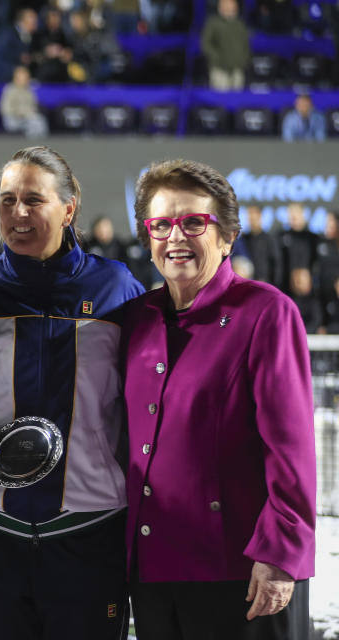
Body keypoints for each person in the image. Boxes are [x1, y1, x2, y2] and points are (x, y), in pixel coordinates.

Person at [0, 146, 144, 640]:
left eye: (33, 200)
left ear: (69, 208)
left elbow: (147, 395)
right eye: (7, 199)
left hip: (89, 532)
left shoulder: (115, 287)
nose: (17, 214)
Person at [122, 159, 316, 639]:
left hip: (243, 571)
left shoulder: (265, 312)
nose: (175, 237)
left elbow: (291, 450)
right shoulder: (133, 319)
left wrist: (280, 556)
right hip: (152, 572)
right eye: (161, 224)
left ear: (227, 237)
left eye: (193, 222)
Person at [200, 0, 250, 91]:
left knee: (237, 100)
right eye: (227, 5)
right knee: (220, 100)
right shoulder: (213, 23)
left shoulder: (240, 24)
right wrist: (216, 58)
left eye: (232, 5)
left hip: (237, 69)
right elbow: (206, 44)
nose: (230, 7)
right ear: (220, 7)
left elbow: (246, 45)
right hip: (219, 69)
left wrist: (244, 60)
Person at [0, 65, 49, 137]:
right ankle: (28, 144)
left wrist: (30, 112)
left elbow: (33, 105)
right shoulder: (9, 90)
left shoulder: (29, 90)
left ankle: (38, 145)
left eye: (26, 78)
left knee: (39, 121)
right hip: (13, 118)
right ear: (15, 79)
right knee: (31, 124)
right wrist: (19, 113)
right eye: (22, 79)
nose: (25, 81)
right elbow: (5, 109)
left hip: (26, 118)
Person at [239, 205, 282, 287]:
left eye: (254, 217)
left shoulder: (269, 239)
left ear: (260, 217)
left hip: (265, 283)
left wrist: (272, 283)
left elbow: (276, 263)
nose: (252, 220)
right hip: (247, 283)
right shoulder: (243, 239)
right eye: (250, 217)